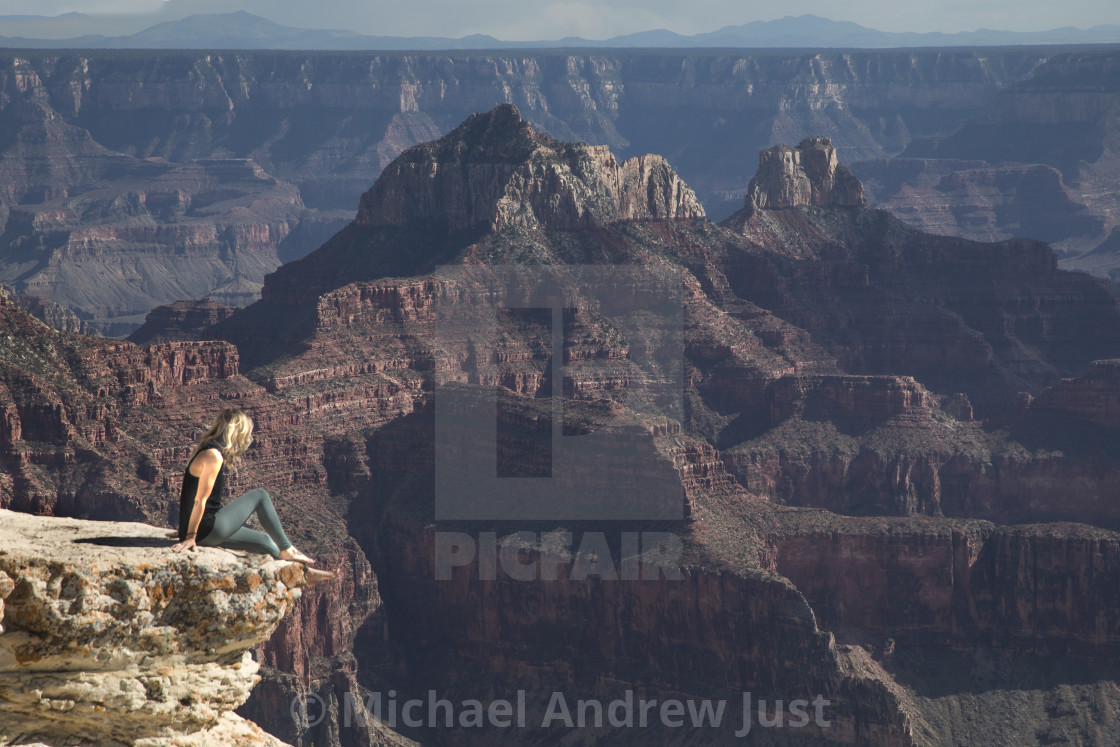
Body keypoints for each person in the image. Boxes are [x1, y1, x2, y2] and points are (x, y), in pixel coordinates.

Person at [169, 408, 334, 585]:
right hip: (208, 529)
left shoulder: (207, 449)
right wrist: (190, 536)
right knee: (260, 496)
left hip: (206, 531)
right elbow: (199, 500)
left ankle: (306, 574)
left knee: (265, 540)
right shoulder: (213, 456)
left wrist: (186, 527)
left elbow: (188, 493)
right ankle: (288, 549)